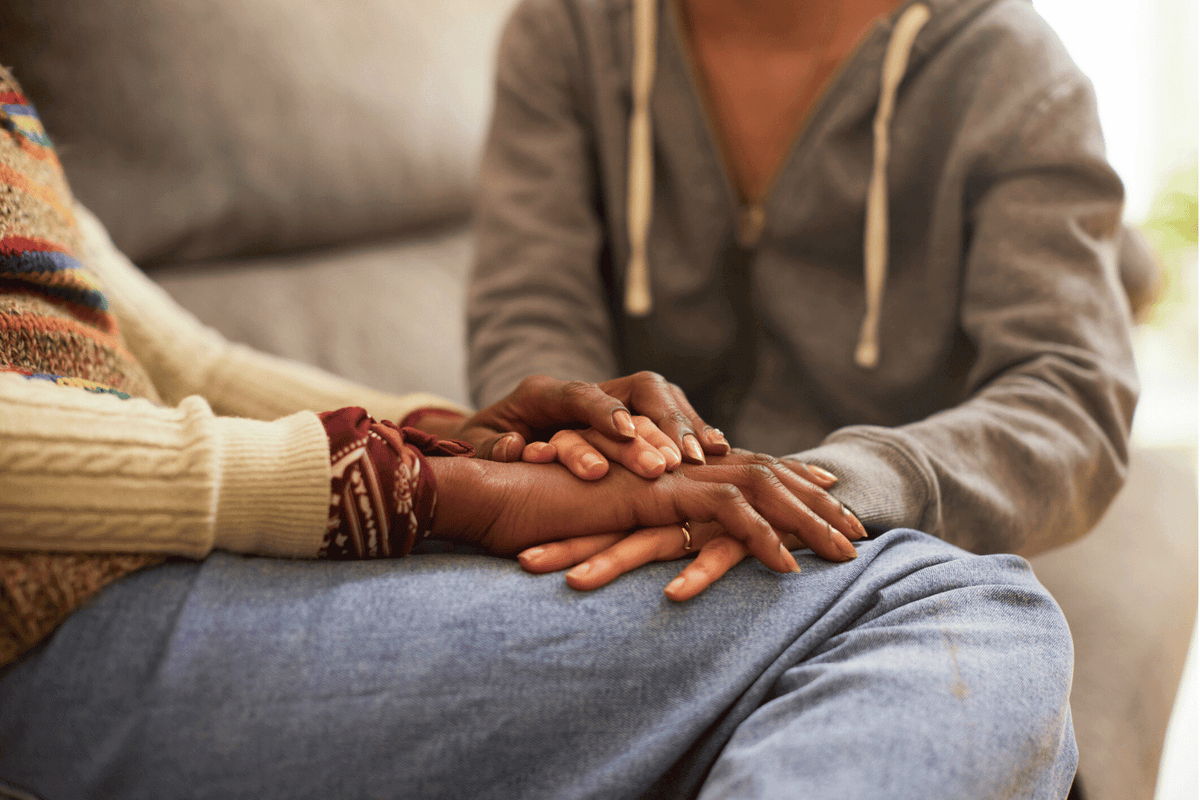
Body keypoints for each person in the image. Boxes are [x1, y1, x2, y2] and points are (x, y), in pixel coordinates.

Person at [0, 57, 1074, 800]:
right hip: (58, 618)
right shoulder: (579, 39)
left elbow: (190, 365)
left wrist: (456, 435)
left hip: (157, 572)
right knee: (949, 607)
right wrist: (435, 491)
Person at [468, 0, 1139, 597]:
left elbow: (1071, 396)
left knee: (1016, 647)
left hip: (874, 546)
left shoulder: (1008, 64)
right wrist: (599, 461)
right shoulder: (565, 31)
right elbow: (530, 313)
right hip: (617, 517)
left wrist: (831, 489)